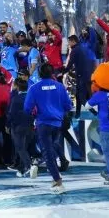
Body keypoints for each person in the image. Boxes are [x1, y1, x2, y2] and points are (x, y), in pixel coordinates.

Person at [24, 63, 73, 194]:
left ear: (39, 74)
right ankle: (56, 174)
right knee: (52, 149)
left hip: (43, 124)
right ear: (52, 73)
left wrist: (35, 113)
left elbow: (27, 108)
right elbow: (68, 106)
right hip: (58, 124)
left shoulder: (34, 88)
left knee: (48, 153)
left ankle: (57, 180)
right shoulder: (60, 86)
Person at [7, 77, 36, 178]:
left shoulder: (15, 99)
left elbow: (11, 113)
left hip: (18, 126)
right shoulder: (31, 97)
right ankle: (22, 169)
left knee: (20, 148)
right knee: (24, 148)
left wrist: (7, 124)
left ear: (18, 87)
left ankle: (29, 166)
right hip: (30, 126)